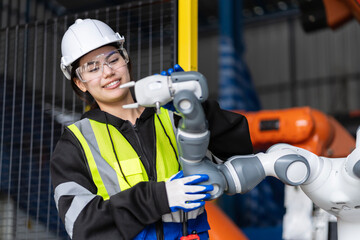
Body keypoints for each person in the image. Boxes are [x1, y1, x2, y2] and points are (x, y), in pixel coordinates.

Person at [50, 18, 253, 240]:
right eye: (93, 68)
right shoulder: (75, 144)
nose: (107, 72)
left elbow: (239, 151)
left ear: (126, 60)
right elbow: (81, 225)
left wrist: (197, 108)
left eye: (113, 59)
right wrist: (158, 197)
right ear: (80, 82)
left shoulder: (174, 115)